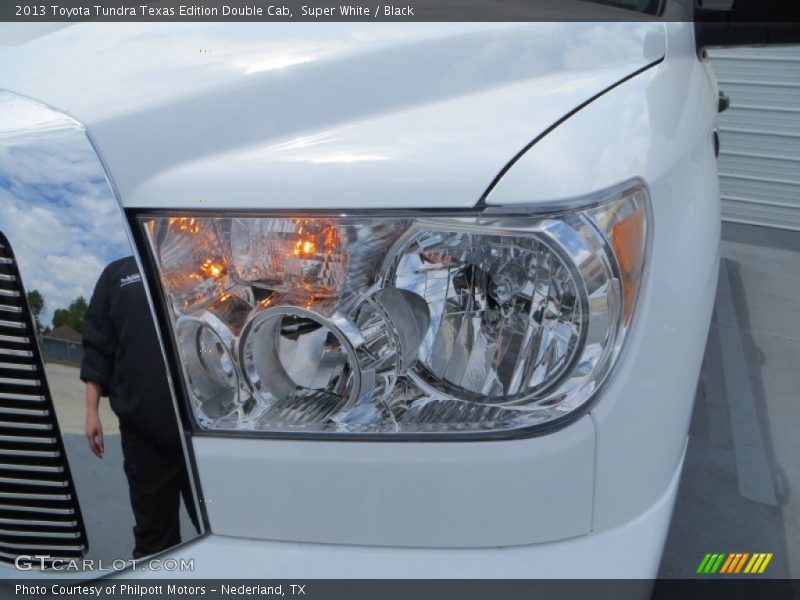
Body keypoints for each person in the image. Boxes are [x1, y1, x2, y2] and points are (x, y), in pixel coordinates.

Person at [80, 256, 199, 559]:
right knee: (154, 536)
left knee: (221, 527)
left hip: (205, 431)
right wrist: (91, 410)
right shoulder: (118, 273)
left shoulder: (200, 264)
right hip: (143, 429)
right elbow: (99, 342)